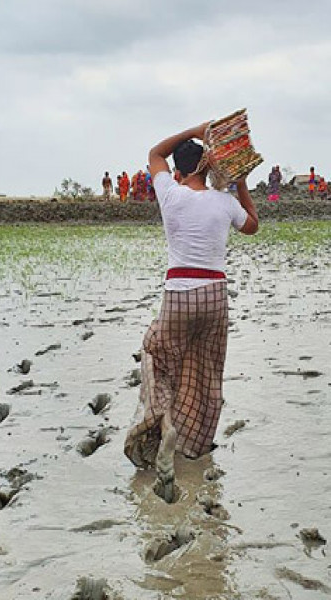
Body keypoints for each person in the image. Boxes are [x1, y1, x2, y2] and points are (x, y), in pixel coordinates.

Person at [124, 122, 258, 503]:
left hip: (179, 293)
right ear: (207, 166)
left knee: (157, 356)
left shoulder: (171, 194)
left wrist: (197, 129)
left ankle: (165, 423)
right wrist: (239, 181)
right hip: (215, 295)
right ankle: (192, 443)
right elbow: (252, 225)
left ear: (179, 171)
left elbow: (155, 153)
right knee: (204, 372)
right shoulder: (223, 201)